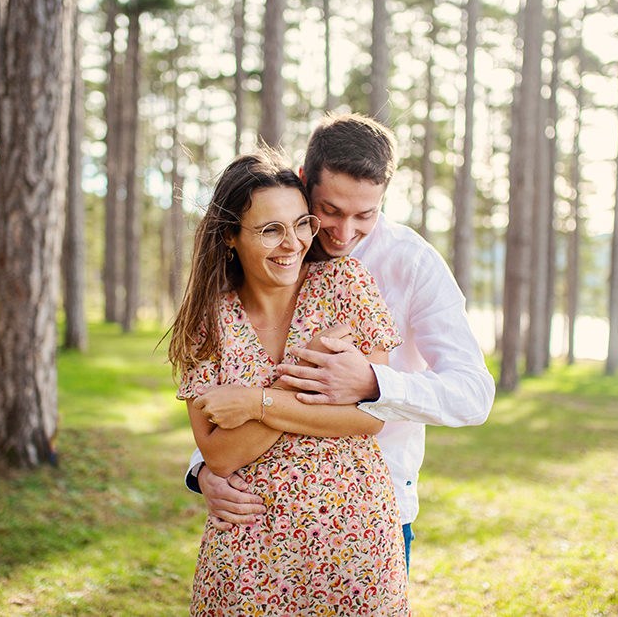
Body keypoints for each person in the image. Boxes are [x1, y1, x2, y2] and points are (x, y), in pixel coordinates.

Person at [188, 113, 496, 570]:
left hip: (370, 512)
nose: (344, 233)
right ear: (303, 181)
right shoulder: (270, 247)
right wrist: (204, 470)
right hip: (255, 520)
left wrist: (374, 384)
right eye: (329, 211)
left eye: (364, 215)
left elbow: (474, 395)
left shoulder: (411, 264)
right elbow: (229, 377)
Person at [170, 150, 410, 614]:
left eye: (302, 224)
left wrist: (256, 404)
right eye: (270, 230)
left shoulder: (346, 285)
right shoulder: (208, 322)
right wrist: (305, 383)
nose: (293, 243)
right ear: (229, 238)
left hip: (354, 546)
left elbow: (371, 418)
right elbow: (219, 454)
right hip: (248, 552)